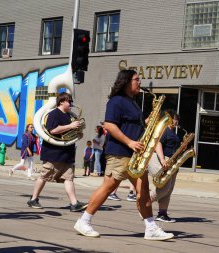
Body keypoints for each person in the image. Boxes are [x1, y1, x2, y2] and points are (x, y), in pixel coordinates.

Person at [74, 69, 174, 241]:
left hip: (135, 155)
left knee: (143, 190)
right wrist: (129, 142)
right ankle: (84, 221)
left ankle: (150, 227)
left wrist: (148, 123)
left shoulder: (132, 102)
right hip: (120, 153)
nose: (140, 82)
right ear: (127, 81)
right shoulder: (116, 101)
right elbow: (110, 125)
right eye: (137, 79)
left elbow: (134, 126)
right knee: (108, 187)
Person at [27, 92, 88, 212]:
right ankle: (33, 199)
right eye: (69, 101)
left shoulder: (70, 115)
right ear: (61, 102)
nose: (71, 104)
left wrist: (77, 133)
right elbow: (52, 130)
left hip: (67, 152)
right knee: (44, 176)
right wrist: (70, 126)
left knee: (69, 178)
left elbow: (68, 131)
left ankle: (74, 203)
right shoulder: (54, 114)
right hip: (53, 152)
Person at [148, 110, 181, 223]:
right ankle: (145, 202)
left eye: (177, 119)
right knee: (164, 187)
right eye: (175, 119)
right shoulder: (164, 130)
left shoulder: (173, 132)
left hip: (172, 162)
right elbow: (158, 143)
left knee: (169, 190)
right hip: (162, 160)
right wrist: (162, 159)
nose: (176, 121)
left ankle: (162, 214)